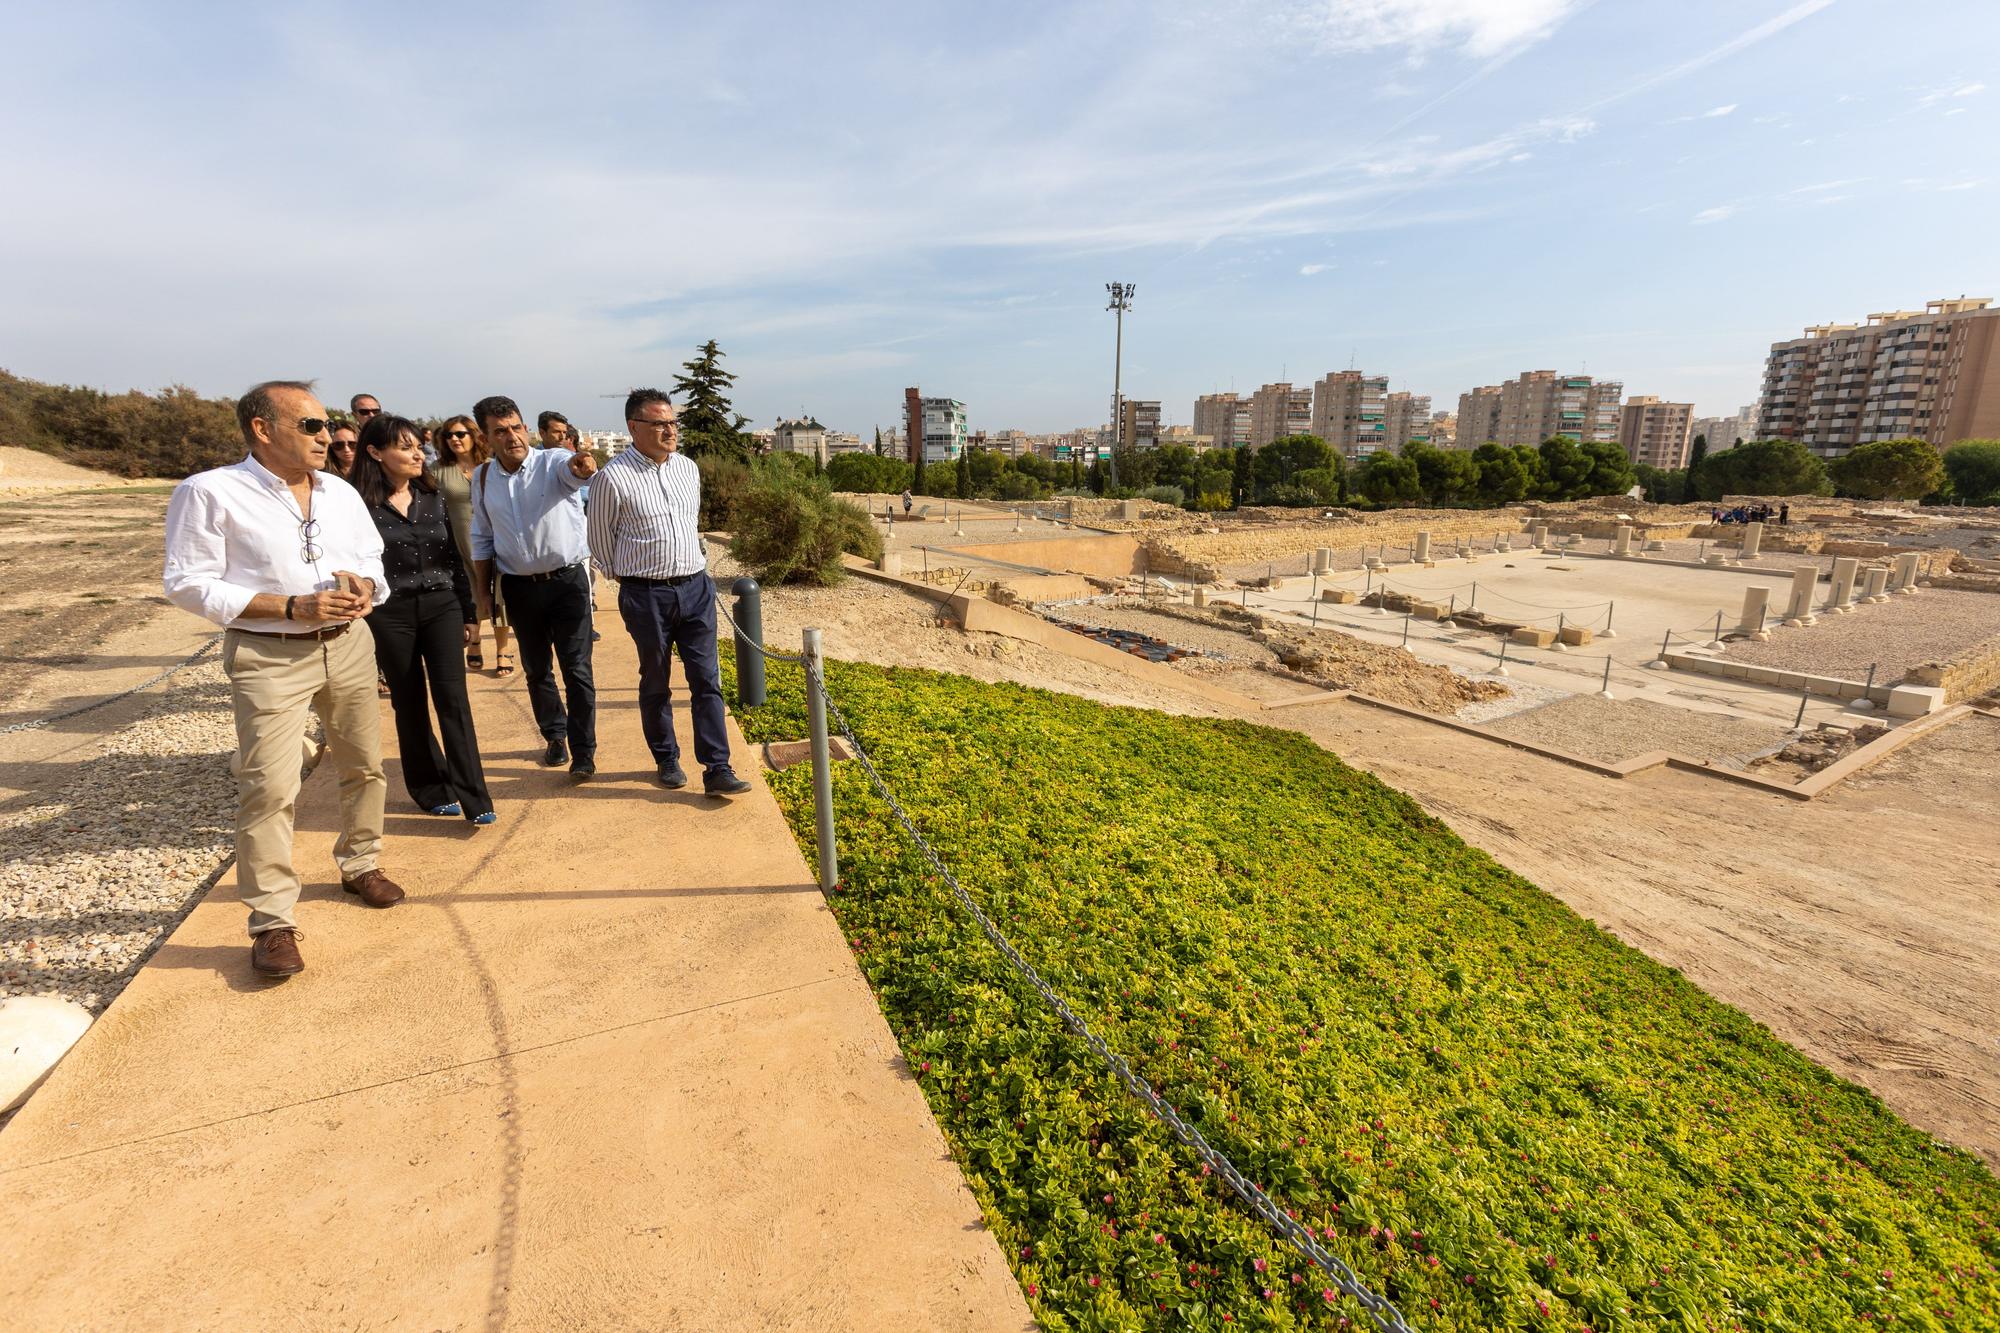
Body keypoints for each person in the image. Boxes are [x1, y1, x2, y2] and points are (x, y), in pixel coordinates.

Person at [162, 380, 402, 979]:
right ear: (263, 430)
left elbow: (372, 559)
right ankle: (271, 922)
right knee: (268, 786)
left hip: (348, 645)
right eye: (312, 426)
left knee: (365, 765)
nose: (328, 436)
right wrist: (290, 607)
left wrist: (366, 588)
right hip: (269, 654)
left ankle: (360, 863)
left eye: (328, 425)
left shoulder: (341, 492)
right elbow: (188, 583)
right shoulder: (211, 492)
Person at [586, 389, 751, 797]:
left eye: (672, 422)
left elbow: (688, 523)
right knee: (656, 680)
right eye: (659, 423)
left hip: (696, 587)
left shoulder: (688, 469)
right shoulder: (612, 477)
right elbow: (600, 541)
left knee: (706, 680)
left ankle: (717, 768)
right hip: (646, 596)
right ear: (634, 427)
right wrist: (629, 578)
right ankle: (666, 758)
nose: (669, 430)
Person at [350, 414, 496, 826]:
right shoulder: (357, 505)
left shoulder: (432, 496)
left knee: (453, 701)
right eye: (405, 446)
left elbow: (452, 557)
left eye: (418, 445)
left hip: (442, 605)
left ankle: (475, 797)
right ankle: (430, 789)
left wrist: (469, 613)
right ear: (376, 453)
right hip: (389, 613)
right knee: (409, 703)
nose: (417, 453)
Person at [468, 394, 599, 781]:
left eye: (516, 427)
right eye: (500, 431)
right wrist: (482, 594)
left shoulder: (553, 461)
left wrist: (583, 466)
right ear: (486, 437)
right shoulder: (483, 477)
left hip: (568, 583)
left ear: (526, 427)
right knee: (537, 669)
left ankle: (584, 751)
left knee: (577, 669)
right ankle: (554, 735)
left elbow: (575, 472)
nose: (512, 437)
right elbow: (482, 534)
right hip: (520, 589)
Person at [433, 414, 514, 676]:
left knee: (501, 596)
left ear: (474, 436)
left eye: (460, 434)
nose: (454, 439)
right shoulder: (438, 471)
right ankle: (475, 640)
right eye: (448, 435)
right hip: (458, 543)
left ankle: (503, 650)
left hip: (497, 540)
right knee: (470, 595)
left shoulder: (493, 466)